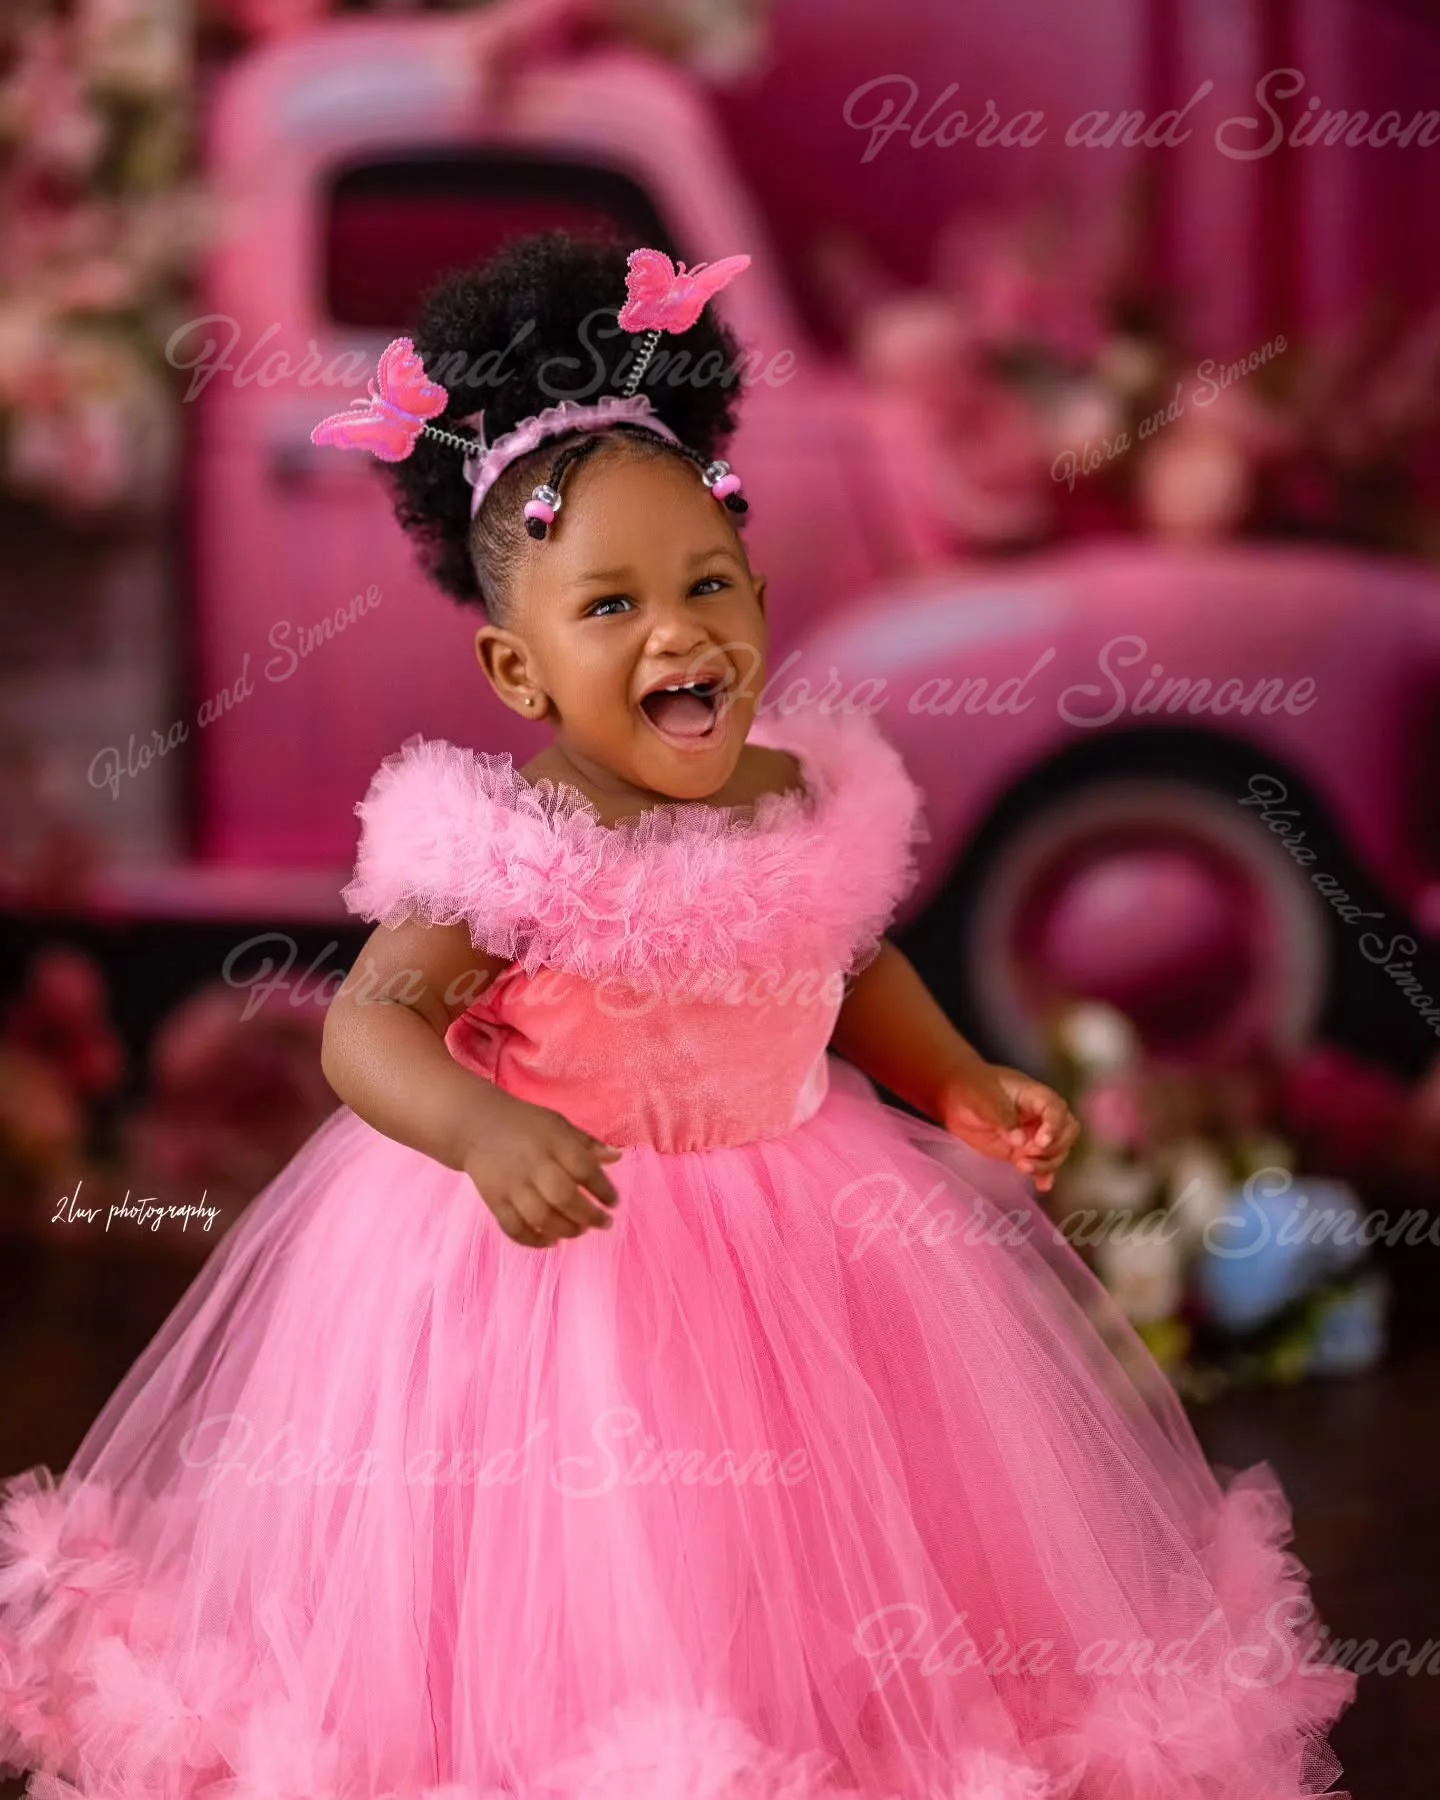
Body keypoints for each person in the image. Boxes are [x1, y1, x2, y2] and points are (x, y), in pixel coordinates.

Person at [0, 233, 1354, 1800]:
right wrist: (480, 1121)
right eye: (613, 605)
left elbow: (847, 970)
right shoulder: (501, 850)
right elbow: (363, 1031)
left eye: (708, 585)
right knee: (588, 1575)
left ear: (763, 597)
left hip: (812, 1246)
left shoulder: (807, 793)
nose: (677, 630)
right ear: (521, 667)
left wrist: (960, 1081)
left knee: (835, 1558)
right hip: (556, 1276)